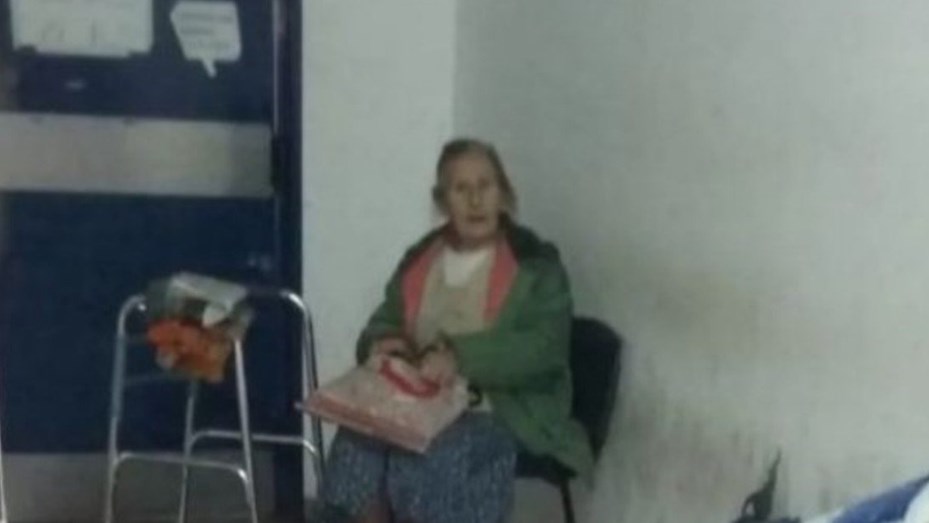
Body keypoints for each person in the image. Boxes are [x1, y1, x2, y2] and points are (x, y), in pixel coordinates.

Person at [314, 138, 593, 523]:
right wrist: (383, 342)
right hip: (420, 401)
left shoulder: (535, 266)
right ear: (443, 201)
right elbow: (387, 316)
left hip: (502, 407)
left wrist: (459, 358)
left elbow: (542, 349)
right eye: (461, 189)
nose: (475, 200)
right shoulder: (423, 257)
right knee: (356, 443)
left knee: (430, 453)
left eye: (485, 186)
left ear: (503, 193)